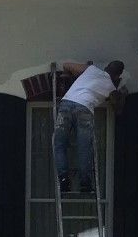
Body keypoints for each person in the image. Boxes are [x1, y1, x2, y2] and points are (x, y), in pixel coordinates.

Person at [53, 59, 126, 194]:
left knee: (59, 144)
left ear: (106, 67)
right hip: (85, 109)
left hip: (67, 105)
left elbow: (67, 65)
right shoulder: (111, 88)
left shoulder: (91, 69)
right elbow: (118, 109)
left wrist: (68, 74)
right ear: (117, 76)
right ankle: (85, 184)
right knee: (84, 148)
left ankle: (64, 181)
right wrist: (122, 95)